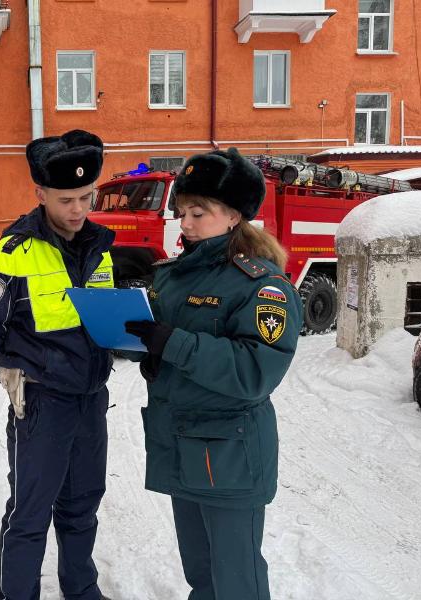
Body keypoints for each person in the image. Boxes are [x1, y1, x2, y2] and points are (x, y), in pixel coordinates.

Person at [123, 147, 302, 600]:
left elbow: (254, 371)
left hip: (230, 456)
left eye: (197, 213)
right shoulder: (171, 276)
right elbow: (167, 346)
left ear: (233, 217)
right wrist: (143, 346)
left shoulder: (262, 286)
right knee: (201, 573)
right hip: (182, 444)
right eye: (182, 212)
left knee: (236, 578)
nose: (184, 223)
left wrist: (174, 344)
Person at [0, 130, 115, 600]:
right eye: (66, 198)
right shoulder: (12, 255)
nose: (77, 209)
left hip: (90, 401)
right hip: (43, 404)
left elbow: (103, 317)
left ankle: (80, 589)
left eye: (86, 196)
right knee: (30, 513)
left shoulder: (100, 247)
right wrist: (14, 380)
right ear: (41, 194)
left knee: (82, 506)